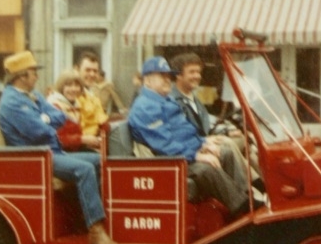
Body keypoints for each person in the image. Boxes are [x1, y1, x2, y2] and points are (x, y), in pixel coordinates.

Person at [0, 50, 118, 244]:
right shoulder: (11, 102)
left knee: (100, 160)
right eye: (33, 71)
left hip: (52, 151)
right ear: (21, 76)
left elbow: (60, 116)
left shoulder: (33, 94)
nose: (36, 75)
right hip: (35, 157)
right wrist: (47, 121)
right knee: (85, 169)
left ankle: (84, 219)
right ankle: (96, 232)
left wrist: (46, 119)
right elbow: (38, 132)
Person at [128, 56, 249, 217]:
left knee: (224, 152)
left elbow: (185, 131)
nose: (167, 80)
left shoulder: (165, 100)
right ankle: (242, 208)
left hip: (179, 156)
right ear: (148, 81)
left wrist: (203, 143)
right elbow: (164, 145)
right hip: (166, 163)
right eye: (161, 75)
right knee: (207, 169)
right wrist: (196, 155)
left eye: (168, 76)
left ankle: (245, 200)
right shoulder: (145, 107)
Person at [169, 52, 249, 186]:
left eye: (198, 72)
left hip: (204, 139)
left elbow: (208, 120)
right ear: (178, 75)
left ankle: (263, 185)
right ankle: (248, 189)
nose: (197, 76)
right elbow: (182, 129)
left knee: (247, 140)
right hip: (193, 146)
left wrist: (227, 131)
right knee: (228, 145)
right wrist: (205, 140)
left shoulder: (192, 97)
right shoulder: (172, 100)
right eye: (192, 72)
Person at [47, 70, 102, 152]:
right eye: (69, 85)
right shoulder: (55, 106)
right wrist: (82, 139)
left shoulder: (77, 105)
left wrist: (92, 140)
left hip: (74, 149)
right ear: (61, 87)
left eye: (77, 85)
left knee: (103, 155)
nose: (73, 89)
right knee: (98, 159)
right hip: (59, 152)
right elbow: (57, 139)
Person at [73, 51, 109, 137]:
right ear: (77, 69)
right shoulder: (69, 94)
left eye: (95, 71)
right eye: (88, 70)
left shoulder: (92, 97)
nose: (92, 74)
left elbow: (102, 120)